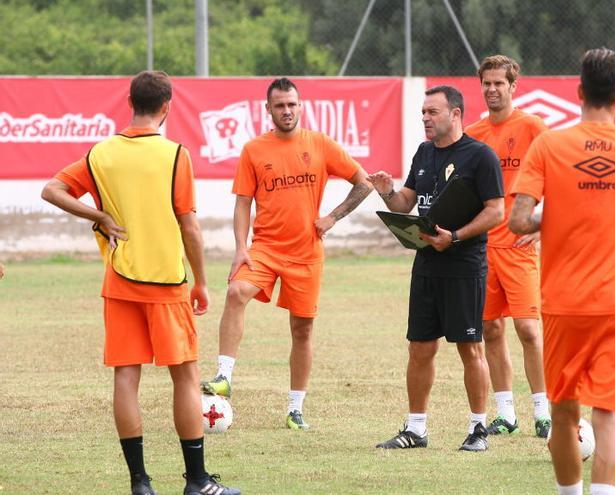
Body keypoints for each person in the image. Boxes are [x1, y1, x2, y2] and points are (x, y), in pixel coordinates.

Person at [40, 71, 239, 495]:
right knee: (186, 376)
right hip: (167, 282)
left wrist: (99, 216)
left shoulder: (101, 153)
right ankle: (198, 481)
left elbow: (51, 190)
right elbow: (190, 227)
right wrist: (201, 282)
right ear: (167, 106)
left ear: (130, 103)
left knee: (126, 378)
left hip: (119, 281)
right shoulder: (175, 154)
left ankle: (140, 483)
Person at [510, 48, 615, 495]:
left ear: (578, 91)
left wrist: (560, 214)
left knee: (563, 412)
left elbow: (519, 220)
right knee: (609, 415)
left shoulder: (548, 145)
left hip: (563, 302)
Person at [200, 77, 372, 430]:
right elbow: (242, 203)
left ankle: (295, 408)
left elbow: (364, 182)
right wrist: (239, 248)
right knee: (236, 292)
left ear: (300, 105)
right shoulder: (254, 150)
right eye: (280, 105)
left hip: (307, 253)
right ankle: (223, 376)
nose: (287, 110)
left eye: (292, 104)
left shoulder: (320, 144)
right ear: (269, 110)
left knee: (302, 330)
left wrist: (333, 217)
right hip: (264, 248)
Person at [369, 85, 504, 452]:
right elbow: (406, 202)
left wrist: (456, 236)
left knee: (469, 347)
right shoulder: (424, 153)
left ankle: (478, 429)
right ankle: (415, 429)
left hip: (464, 264)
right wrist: (386, 193)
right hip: (426, 262)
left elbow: (496, 210)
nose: (425, 119)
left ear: (455, 113)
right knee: (419, 348)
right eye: (423, 113)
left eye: (432, 112)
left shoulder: (480, 156)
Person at [465, 55, 551, 438]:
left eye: (500, 83)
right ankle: (506, 413)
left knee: (529, 330)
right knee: (489, 329)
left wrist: (545, 225)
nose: (492, 89)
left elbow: (560, 175)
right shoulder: (473, 134)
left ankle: (543, 410)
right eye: (487, 83)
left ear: (514, 86)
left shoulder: (532, 127)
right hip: (482, 250)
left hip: (518, 247)